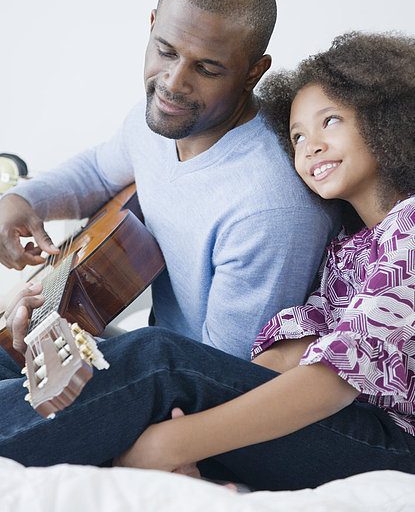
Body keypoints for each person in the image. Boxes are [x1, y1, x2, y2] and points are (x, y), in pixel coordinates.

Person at [2, 31, 414, 490]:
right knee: (61, 356)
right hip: (332, 418)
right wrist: (202, 404)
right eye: (296, 135)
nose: (309, 146)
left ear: (388, 120)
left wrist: (173, 442)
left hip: (392, 441)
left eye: (330, 121)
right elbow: (289, 355)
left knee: (157, 358)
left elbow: (329, 382)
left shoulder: (409, 232)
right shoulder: (350, 239)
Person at [0, 0, 339, 362]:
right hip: (156, 354)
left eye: (207, 69)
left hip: (193, 387)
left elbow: (220, 373)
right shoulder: (163, 120)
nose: (172, 84)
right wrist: (20, 202)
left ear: (254, 73)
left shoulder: (271, 207)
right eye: (165, 50)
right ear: (152, 24)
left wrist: (65, 342)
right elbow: (97, 170)